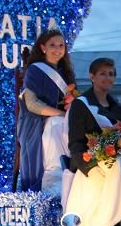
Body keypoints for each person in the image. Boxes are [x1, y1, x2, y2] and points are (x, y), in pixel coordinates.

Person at [62, 58, 121, 226]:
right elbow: (76, 143)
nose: (108, 78)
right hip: (89, 163)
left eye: (111, 74)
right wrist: (90, 168)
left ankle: (120, 220)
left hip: (116, 162)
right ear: (91, 76)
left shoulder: (117, 106)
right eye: (103, 73)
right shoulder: (82, 104)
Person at [16, 29, 76, 192]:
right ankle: (53, 184)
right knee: (57, 124)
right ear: (43, 48)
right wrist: (61, 114)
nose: (57, 49)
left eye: (61, 45)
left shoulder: (66, 72)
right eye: (52, 45)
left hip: (62, 120)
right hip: (36, 121)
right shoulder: (34, 70)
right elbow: (32, 104)